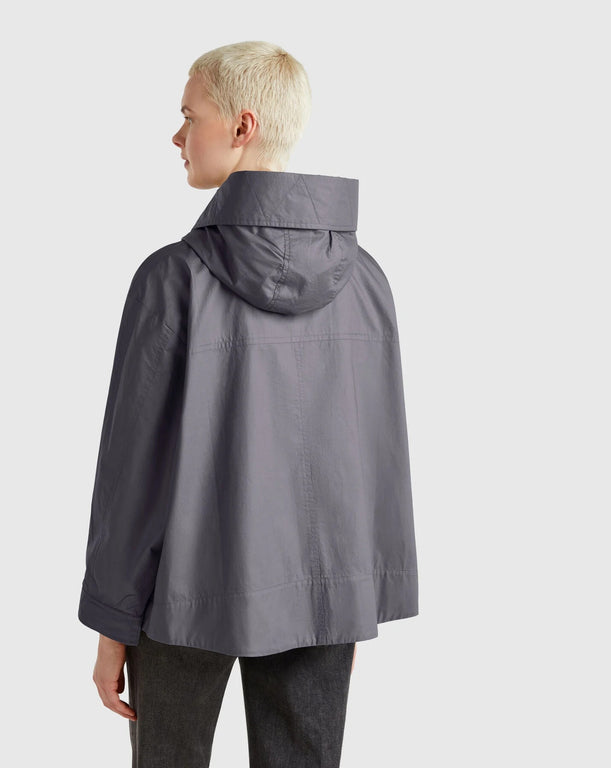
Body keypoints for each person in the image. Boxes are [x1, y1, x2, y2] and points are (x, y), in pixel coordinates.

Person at [77, 40, 418, 767]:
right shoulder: (366, 278)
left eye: (189, 115)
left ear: (242, 126)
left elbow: (133, 473)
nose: (176, 136)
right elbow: (380, 453)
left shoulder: (172, 279)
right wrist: (353, 598)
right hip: (322, 594)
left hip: (180, 595)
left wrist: (112, 624)